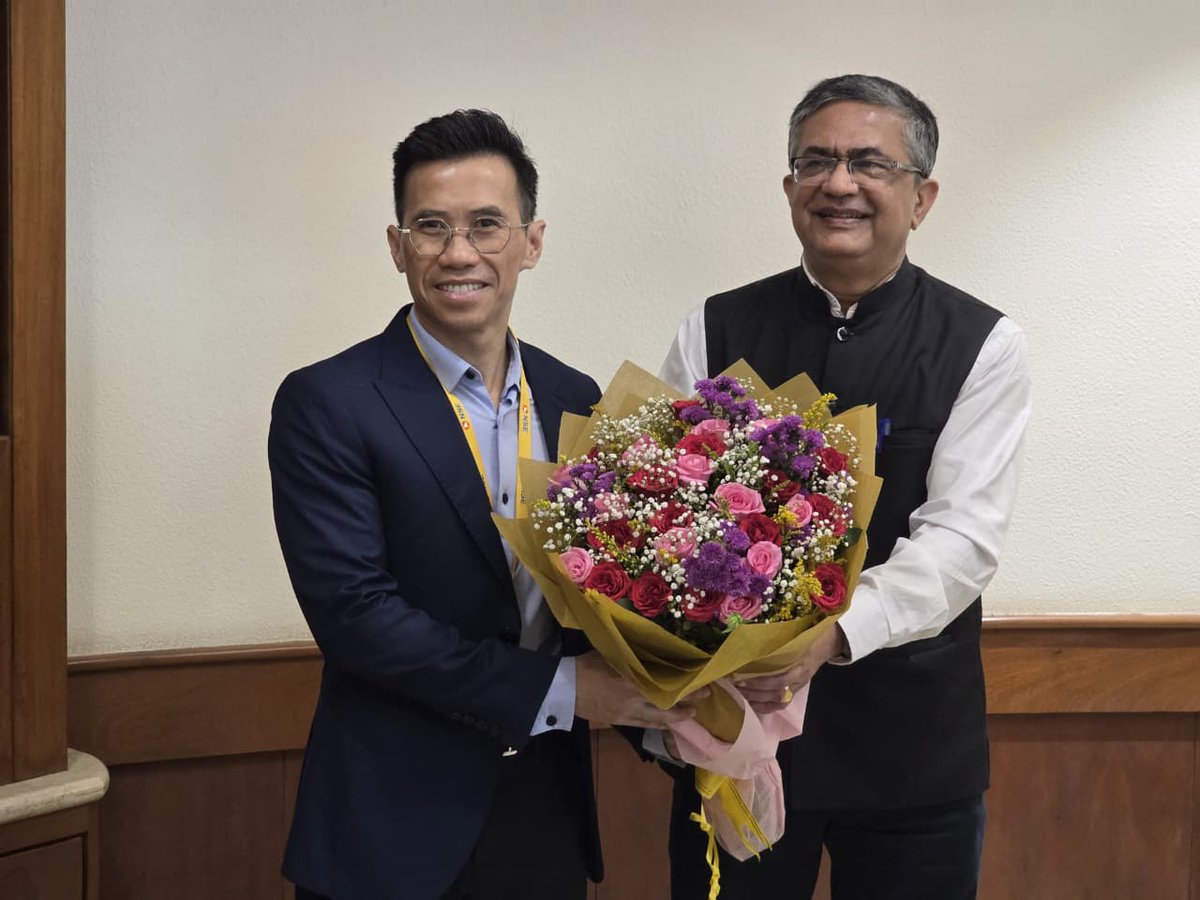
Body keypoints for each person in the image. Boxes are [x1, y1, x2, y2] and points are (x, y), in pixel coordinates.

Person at [269, 109, 695, 900]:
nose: (458, 252)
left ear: (532, 242)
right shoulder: (327, 402)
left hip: (545, 812)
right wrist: (567, 691)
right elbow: (357, 617)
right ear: (397, 247)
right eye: (430, 226)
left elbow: (599, 599)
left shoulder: (576, 399)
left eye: (486, 225)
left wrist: (679, 713)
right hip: (393, 828)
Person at [658, 75, 1031, 899]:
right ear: (790, 186)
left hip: (912, 750)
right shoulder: (715, 326)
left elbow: (963, 541)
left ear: (921, 196)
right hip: (737, 735)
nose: (839, 183)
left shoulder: (982, 344)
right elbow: (664, 517)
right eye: (815, 161)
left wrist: (828, 635)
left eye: (870, 163)